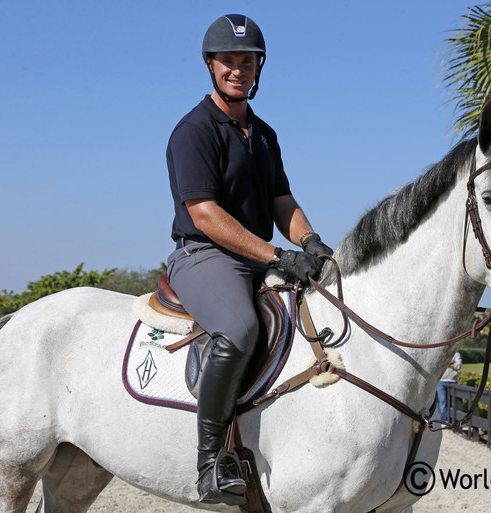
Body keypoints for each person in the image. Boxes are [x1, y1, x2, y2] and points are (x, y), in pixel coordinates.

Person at [165, 14, 333, 506]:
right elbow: (206, 214)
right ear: (211, 66)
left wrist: (312, 241)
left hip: (257, 255)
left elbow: (282, 200)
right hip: (204, 256)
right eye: (228, 62)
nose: (237, 70)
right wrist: (280, 254)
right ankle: (210, 462)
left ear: (259, 67)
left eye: (247, 61)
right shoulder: (194, 130)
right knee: (240, 329)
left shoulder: (264, 134)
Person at [437, 352, 462, 423]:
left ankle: (453, 420)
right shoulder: (442, 352)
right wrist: (452, 362)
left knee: (453, 403)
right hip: (441, 381)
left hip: (453, 381)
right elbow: (439, 365)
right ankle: (444, 420)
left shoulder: (457, 354)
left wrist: (446, 363)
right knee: (443, 403)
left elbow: (458, 366)